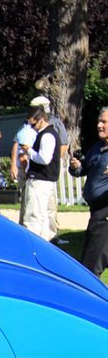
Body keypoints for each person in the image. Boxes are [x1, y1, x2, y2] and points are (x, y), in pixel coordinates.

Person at [69, 107, 108, 278]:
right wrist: (76, 166)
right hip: (96, 212)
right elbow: (83, 169)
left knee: (90, 267)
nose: (99, 125)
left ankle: (88, 300)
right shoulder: (97, 147)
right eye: (99, 122)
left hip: (105, 214)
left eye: (104, 122)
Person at [29, 95, 68, 238]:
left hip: (44, 176)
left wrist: (29, 152)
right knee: (42, 212)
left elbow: (61, 146)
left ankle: (47, 239)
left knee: (39, 212)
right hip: (43, 175)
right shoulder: (38, 127)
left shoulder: (52, 127)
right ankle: (47, 239)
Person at [21, 105, 61, 241]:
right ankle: (43, 243)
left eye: (33, 124)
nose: (32, 127)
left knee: (33, 215)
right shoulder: (47, 134)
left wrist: (29, 151)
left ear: (42, 119)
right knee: (42, 216)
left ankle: (32, 244)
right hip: (45, 180)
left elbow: (44, 159)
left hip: (40, 180)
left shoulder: (47, 135)